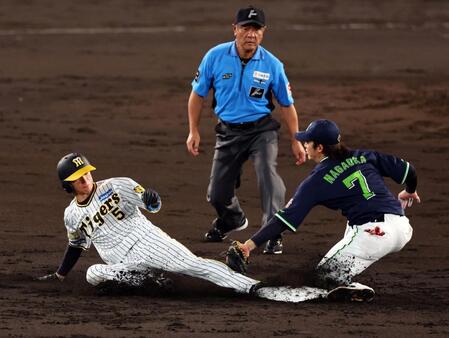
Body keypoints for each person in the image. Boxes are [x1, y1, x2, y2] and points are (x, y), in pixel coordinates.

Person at [230, 119, 420, 301]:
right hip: (402, 227)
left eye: (308, 141)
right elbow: (409, 170)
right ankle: (342, 279)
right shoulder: (364, 156)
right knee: (352, 225)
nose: (304, 144)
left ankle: (348, 286)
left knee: (322, 279)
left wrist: (248, 246)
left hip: (374, 235)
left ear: (319, 147)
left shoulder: (317, 180)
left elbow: (284, 219)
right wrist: (409, 191)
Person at [36, 152, 261, 295]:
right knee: (93, 273)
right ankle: (151, 280)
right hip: (124, 264)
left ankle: (251, 286)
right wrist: (60, 275)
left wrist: (152, 201)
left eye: (86, 173)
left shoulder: (116, 185)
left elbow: (151, 205)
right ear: (68, 185)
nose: (85, 179)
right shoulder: (71, 214)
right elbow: (76, 245)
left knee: (190, 266)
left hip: (146, 241)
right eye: (78, 178)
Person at [186, 6, 305, 254]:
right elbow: (197, 95)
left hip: (261, 131)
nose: (251, 34)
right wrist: (193, 130)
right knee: (217, 194)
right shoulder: (215, 56)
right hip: (228, 132)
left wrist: (296, 139)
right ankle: (231, 220)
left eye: (256, 29)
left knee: (267, 176)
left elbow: (286, 104)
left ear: (263, 33)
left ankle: (273, 233)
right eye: (246, 28)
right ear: (235, 29)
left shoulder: (273, 64)